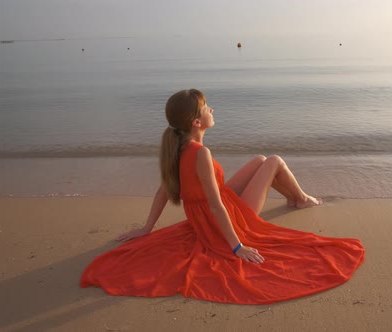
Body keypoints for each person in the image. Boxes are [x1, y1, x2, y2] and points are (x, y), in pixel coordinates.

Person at [80, 89, 365, 304]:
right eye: (207, 108)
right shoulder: (200, 153)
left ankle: (298, 198)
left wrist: (147, 229)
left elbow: (163, 192)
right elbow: (216, 205)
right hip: (227, 216)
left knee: (259, 159)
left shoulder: (176, 147)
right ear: (196, 122)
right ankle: (302, 198)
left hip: (207, 209)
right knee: (274, 160)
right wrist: (237, 246)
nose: (212, 110)